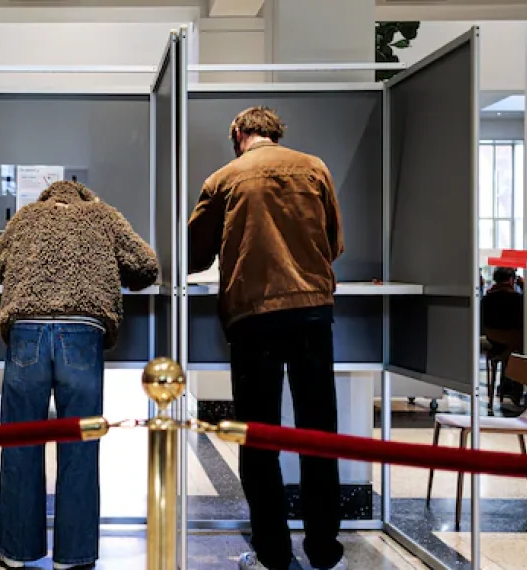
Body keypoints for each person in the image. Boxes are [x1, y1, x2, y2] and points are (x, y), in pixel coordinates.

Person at [187, 106, 346, 570]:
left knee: (259, 440)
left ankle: (272, 555)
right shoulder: (315, 168)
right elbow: (333, 243)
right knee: (320, 436)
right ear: (276, 134)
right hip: (313, 313)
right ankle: (325, 554)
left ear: (239, 133)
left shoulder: (223, 179)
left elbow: (195, 254)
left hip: (252, 318)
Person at [0, 180, 159, 570]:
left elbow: (1, 267)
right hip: (83, 333)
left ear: (47, 197)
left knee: (20, 444)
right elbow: (146, 265)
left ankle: (15, 552)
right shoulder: (103, 215)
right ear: (85, 195)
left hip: (26, 332)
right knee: (80, 447)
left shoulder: (25, 216)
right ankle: (74, 557)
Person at [482, 266, 525, 405]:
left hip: (492, 337)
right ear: (512, 280)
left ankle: (505, 385)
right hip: (512, 339)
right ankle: (513, 390)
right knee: (520, 346)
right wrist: (524, 288)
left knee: (511, 347)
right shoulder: (516, 298)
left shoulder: (487, 298)